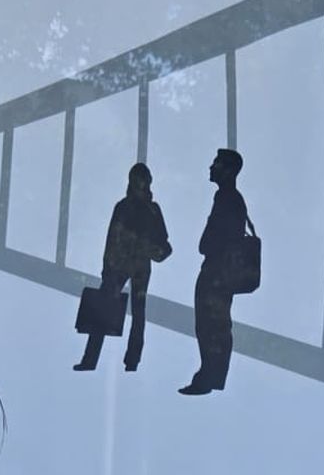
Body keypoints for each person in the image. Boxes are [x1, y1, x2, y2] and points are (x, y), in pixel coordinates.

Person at [75, 163, 169, 373]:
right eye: (136, 178)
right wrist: (107, 266)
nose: (138, 183)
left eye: (141, 178)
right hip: (120, 263)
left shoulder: (152, 209)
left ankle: (131, 361)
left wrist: (150, 247)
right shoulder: (124, 207)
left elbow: (163, 239)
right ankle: (91, 359)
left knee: (137, 311)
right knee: (105, 307)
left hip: (139, 263)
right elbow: (112, 237)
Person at [180, 148, 248, 396]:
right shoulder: (228, 197)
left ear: (228, 170)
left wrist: (209, 245)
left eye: (216, 163)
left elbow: (218, 237)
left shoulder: (228, 198)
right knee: (212, 324)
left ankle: (210, 375)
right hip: (218, 270)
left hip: (217, 271)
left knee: (212, 324)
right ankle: (211, 374)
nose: (211, 167)